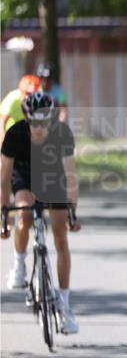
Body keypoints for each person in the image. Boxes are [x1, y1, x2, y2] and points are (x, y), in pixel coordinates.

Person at [1, 91, 81, 334]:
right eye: (34, 122)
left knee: (60, 236)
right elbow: (3, 179)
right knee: (24, 214)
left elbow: (70, 176)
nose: (39, 128)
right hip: (24, 177)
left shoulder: (62, 134)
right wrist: (4, 215)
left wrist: (72, 212)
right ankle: (19, 264)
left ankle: (65, 307)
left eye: (43, 122)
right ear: (26, 119)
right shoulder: (15, 135)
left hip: (53, 177)